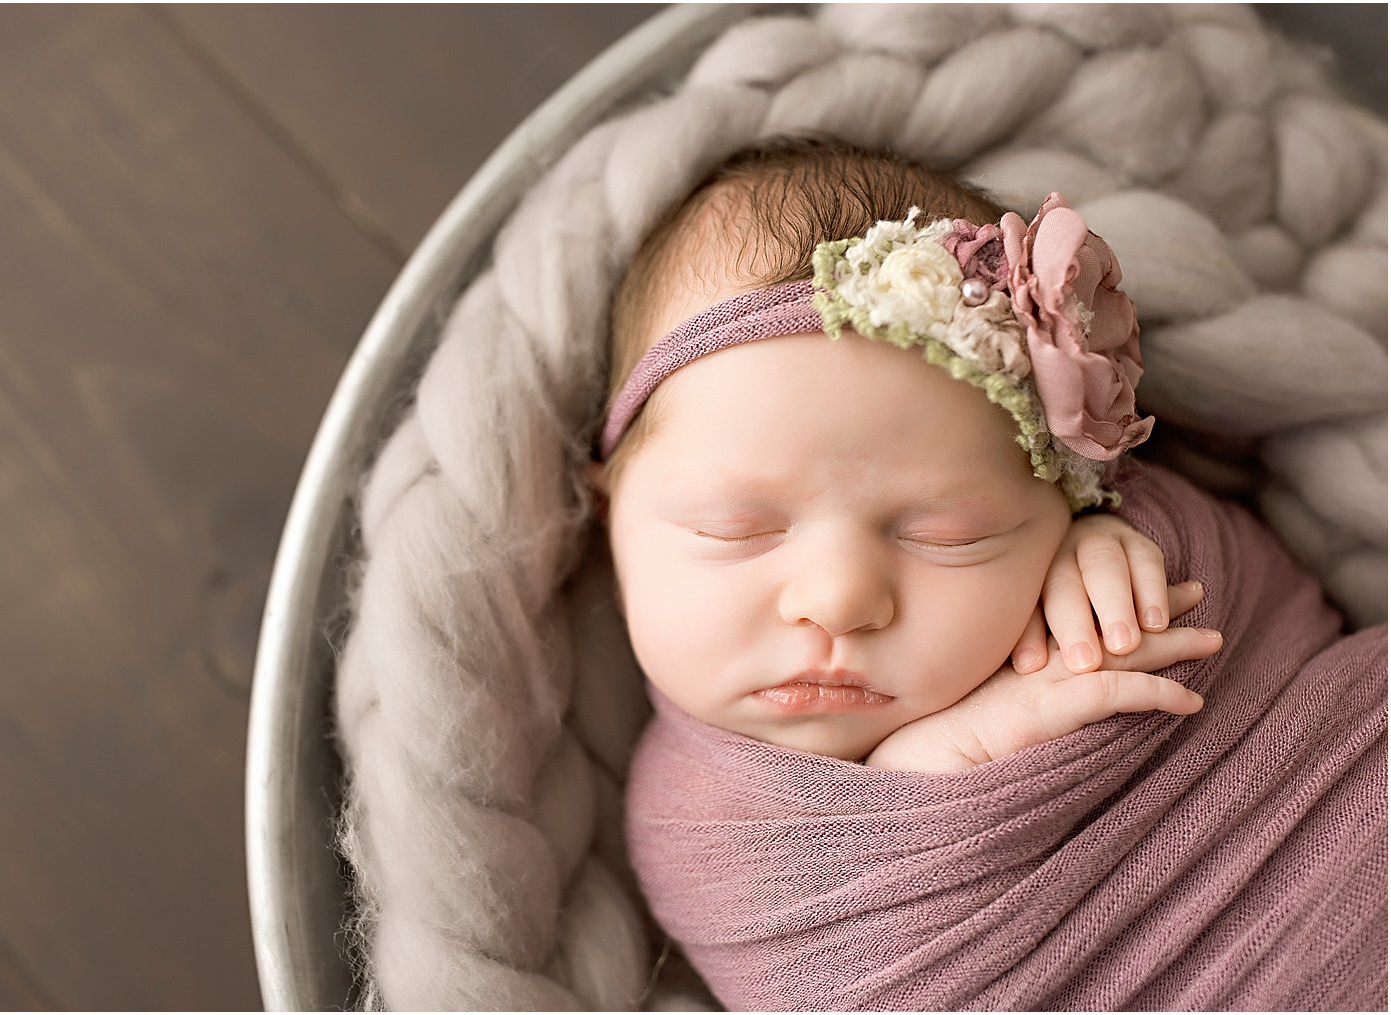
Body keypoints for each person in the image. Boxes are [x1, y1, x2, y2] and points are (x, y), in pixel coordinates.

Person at [590, 139, 1387, 1011]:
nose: (840, 598)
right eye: (735, 527)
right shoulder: (696, 830)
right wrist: (941, 765)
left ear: (1069, 508)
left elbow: (1276, 627)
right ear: (610, 519)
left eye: (950, 534)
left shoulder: (1109, 552)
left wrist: (1139, 547)